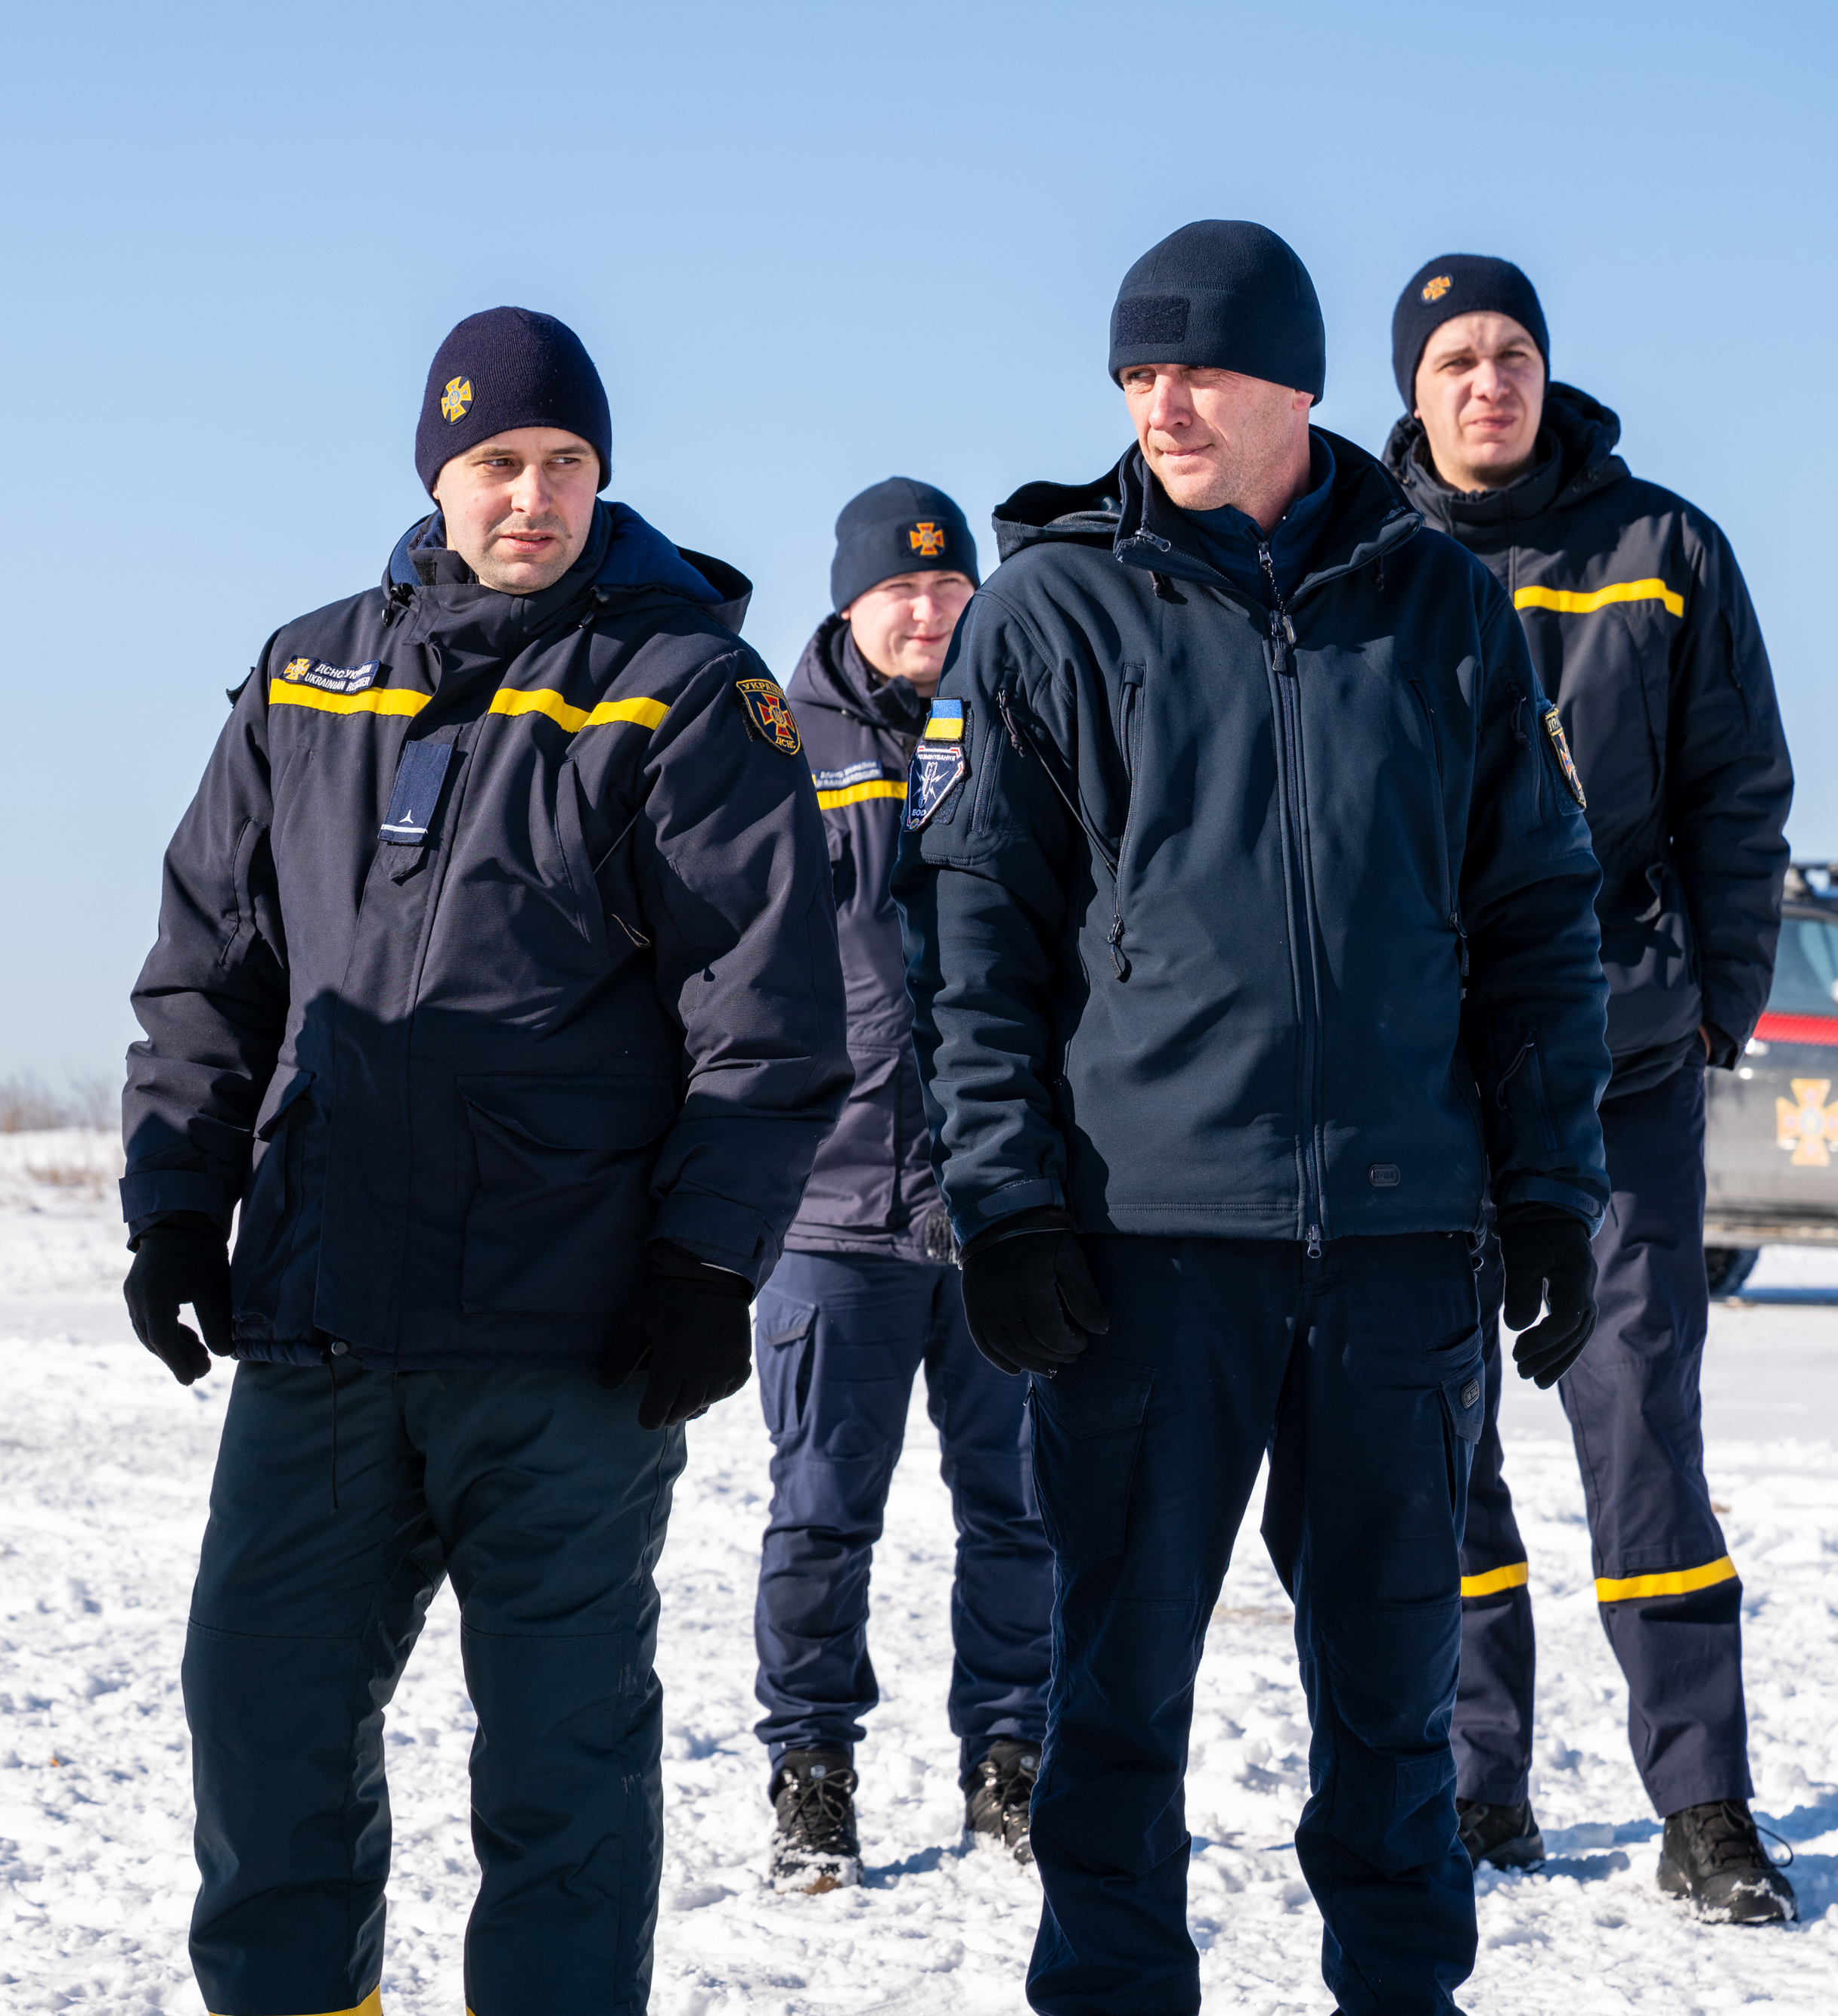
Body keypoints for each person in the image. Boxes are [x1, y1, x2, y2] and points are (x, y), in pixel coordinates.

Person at [900, 221, 1611, 2014]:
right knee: (1111, 1703)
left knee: (1393, 1706)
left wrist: (1545, 1182)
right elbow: (974, 942)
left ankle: (1401, 1994)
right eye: (1134, 374)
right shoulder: (1046, 610)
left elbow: (1536, 914)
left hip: (1397, 1245)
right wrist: (1004, 1203)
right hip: (1142, 1251)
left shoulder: (1440, 606)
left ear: (1292, 380)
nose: (1158, 406)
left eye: (1195, 371)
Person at [121, 306, 847, 2016]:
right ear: (436, 474)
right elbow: (211, 971)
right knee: (262, 1720)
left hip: (567, 1341)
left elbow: (765, 1012)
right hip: (320, 1324)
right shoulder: (307, 676)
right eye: (498, 462)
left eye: (564, 463)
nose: (531, 497)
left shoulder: (683, 685)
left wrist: (704, 1262)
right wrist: (176, 1205)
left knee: (559, 1772)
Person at [1384, 255, 1796, 1922]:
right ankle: (1476, 1777)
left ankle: (1701, 1798)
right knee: (1437, 1432)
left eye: (1513, 354)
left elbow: (1737, 790)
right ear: (1410, 389)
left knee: (1639, 1423)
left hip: (1614, 1068)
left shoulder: (1663, 549)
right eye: (1454, 360)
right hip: (1416, 1078)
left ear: (1548, 377)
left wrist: (1712, 1004)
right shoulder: (1364, 555)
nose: (1488, 382)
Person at [757, 478, 1048, 1889]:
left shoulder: (1021, 722)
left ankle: (1012, 1757)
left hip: (1002, 1204)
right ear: (850, 603)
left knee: (1023, 1510)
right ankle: (811, 1772)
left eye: (948, 587)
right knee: (823, 1512)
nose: (927, 612)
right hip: (832, 1212)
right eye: (898, 589)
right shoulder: (772, 743)